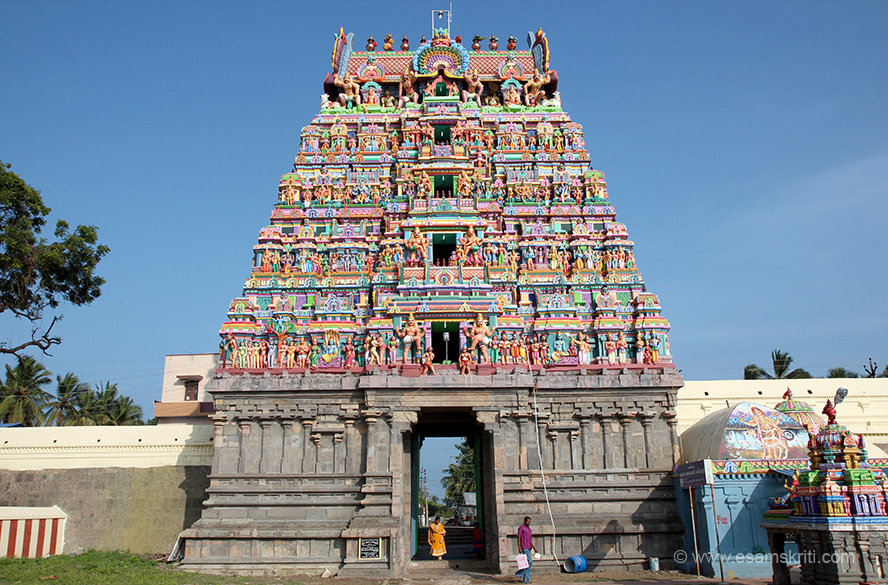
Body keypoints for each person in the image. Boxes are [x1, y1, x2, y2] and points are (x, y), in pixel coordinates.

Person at [516, 516, 536, 583]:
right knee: (530, 562)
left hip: (529, 547)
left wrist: (534, 548)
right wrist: (519, 547)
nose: (528, 523)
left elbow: (530, 540)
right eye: (527, 521)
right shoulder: (521, 528)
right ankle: (519, 574)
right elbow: (519, 537)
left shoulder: (529, 529)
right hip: (524, 546)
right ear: (524, 521)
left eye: (529, 521)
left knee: (528, 564)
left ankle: (526, 580)